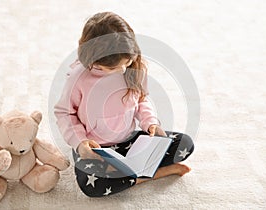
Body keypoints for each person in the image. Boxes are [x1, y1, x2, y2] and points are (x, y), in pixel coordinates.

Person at [54, 12, 194, 197]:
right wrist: (80, 143)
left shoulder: (133, 68)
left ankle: (127, 172)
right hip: (97, 150)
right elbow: (64, 113)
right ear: (92, 59)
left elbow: (141, 101)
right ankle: (149, 174)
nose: (121, 69)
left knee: (185, 144)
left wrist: (150, 123)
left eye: (125, 62)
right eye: (112, 68)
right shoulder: (78, 78)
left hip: (130, 141)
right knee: (92, 186)